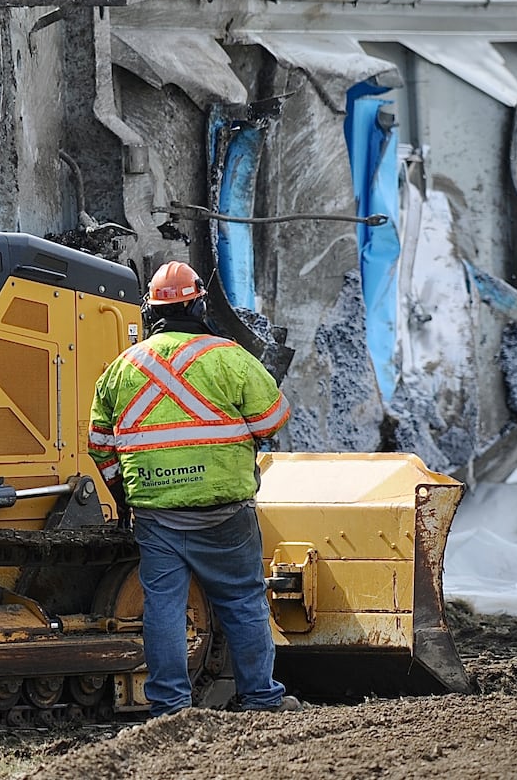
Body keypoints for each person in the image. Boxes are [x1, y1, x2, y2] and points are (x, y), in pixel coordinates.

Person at [88, 260, 300, 717]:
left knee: (164, 606)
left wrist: (121, 495)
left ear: (150, 311)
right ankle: (261, 698)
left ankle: (169, 708)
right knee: (243, 599)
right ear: (200, 303)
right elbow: (273, 419)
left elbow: (100, 444)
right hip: (225, 509)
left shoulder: (122, 368)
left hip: (156, 512)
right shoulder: (228, 356)